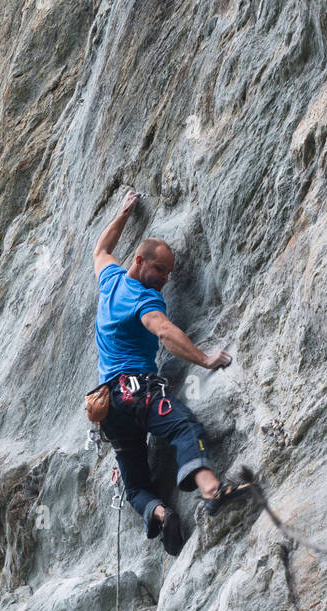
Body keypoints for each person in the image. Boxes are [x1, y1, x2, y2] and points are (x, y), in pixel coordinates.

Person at [92, 191, 253, 555]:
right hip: (136, 391)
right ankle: (212, 490)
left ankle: (162, 514)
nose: (166, 278)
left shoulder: (110, 280)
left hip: (109, 408)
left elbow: (100, 249)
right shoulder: (143, 299)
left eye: (169, 272)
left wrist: (122, 214)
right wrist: (206, 360)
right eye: (160, 269)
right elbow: (165, 331)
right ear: (140, 261)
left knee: (134, 485)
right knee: (184, 426)